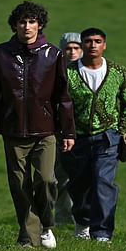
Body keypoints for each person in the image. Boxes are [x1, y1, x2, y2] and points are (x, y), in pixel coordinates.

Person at [0, 0, 75, 248]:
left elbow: (63, 97)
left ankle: (46, 225)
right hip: (12, 131)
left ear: (39, 24)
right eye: (22, 21)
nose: (27, 26)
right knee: (19, 185)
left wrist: (68, 132)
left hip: (45, 131)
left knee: (46, 180)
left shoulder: (53, 54)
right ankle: (28, 237)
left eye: (32, 21)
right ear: (15, 25)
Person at [61, 28, 126, 242]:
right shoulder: (68, 73)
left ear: (104, 45)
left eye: (97, 41)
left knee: (104, 183)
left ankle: (102, 233)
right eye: (88, 41)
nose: (93, 45)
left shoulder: (118, 72)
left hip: (107, 138)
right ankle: (83, 222)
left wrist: (122, 131)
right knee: (79, 185)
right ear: (82, 44)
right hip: (75, 139)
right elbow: (57, 105)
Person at [54, 32, 83, 224]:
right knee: (58, 176)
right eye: (68, 48)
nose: (72, 52)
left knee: (83, 176)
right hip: (58, 130)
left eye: (76, 48)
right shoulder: (55, 71)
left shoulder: (88, 70)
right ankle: (63, 216)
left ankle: (83, 217)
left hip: (84, 131)